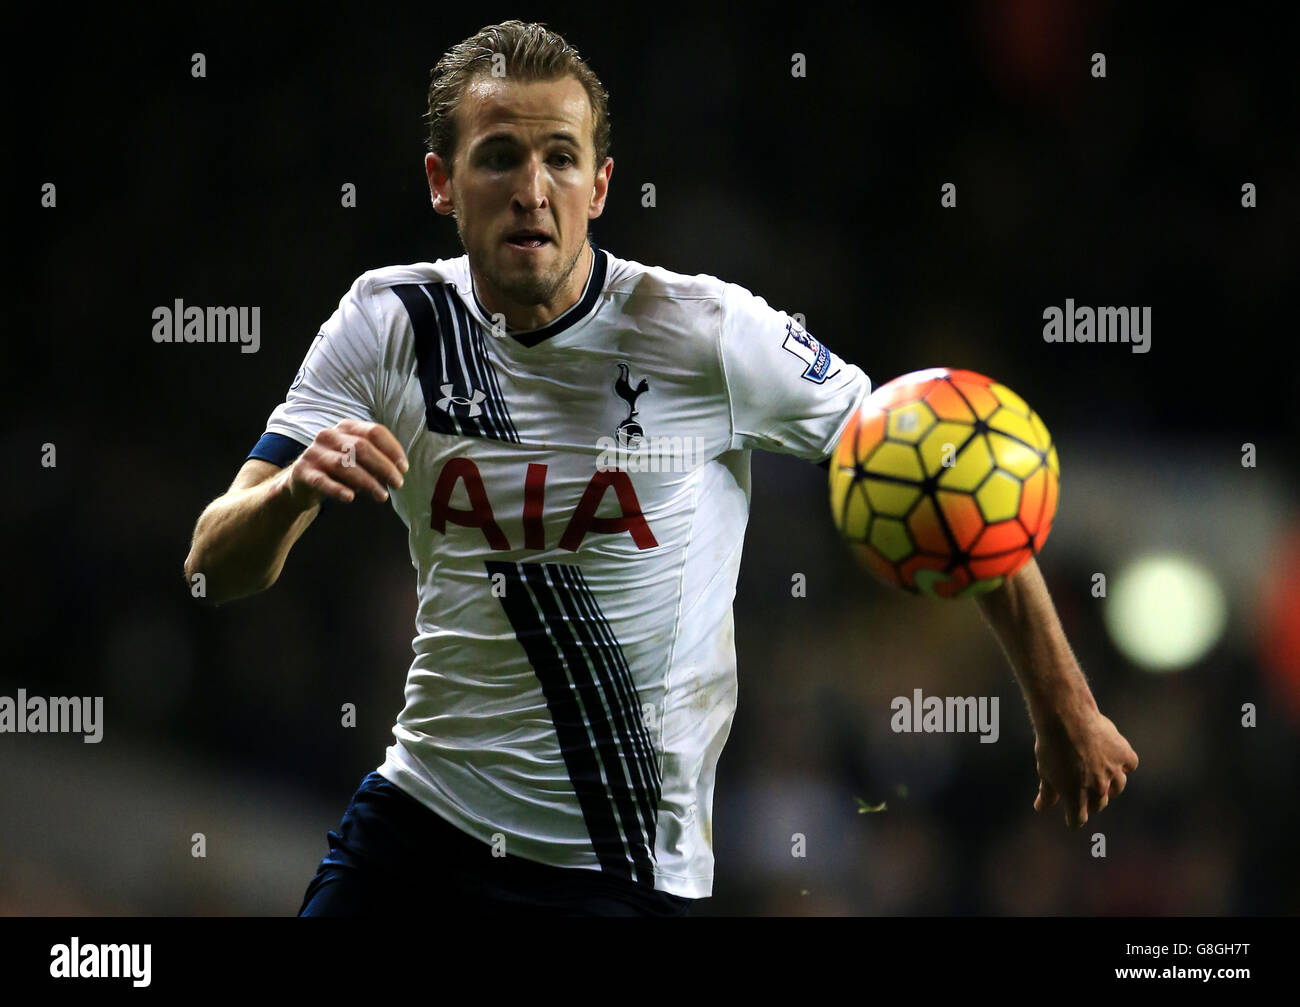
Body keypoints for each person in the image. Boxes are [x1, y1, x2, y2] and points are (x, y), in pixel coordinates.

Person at [183, 20, 1137, 917]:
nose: (532, 188)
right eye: (500, 157)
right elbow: (212, 566)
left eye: (560, 157)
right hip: (422, 820)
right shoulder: (390, 324)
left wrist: (1063, 702)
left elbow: (943, 468)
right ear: (442, 181)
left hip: (622, 864)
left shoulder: (708, 334)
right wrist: (293, 489)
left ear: (599, 185)